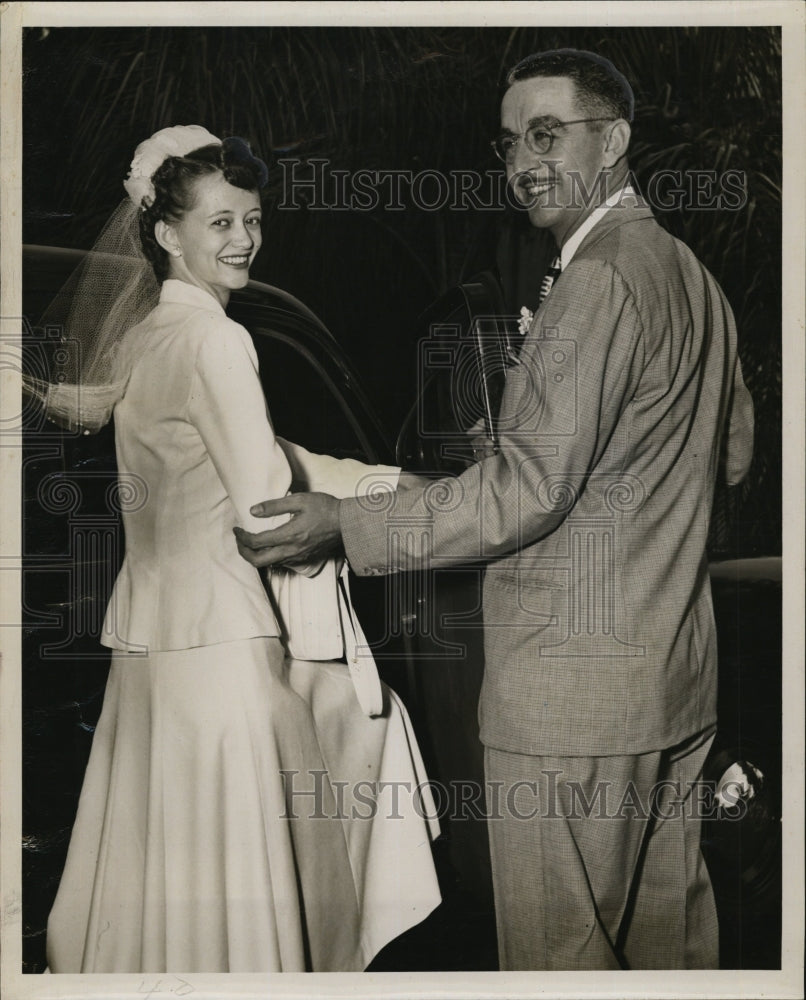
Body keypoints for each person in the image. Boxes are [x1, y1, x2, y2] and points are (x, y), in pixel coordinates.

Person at [235, 49, 755, 970]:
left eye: (547, 135)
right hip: (671, 685)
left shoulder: (594, 278)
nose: (522, 163)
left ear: (615, 140)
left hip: (568, 706)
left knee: (559, 964)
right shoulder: (690, 276)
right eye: (510, 143)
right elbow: (730, 454)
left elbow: (524, 492)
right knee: (668, 956)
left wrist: (346, 526)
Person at [31, 126, 441, 973]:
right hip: (226, 653)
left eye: (251, 219)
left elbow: (235, 456)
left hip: (150, 655)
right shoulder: (220, 339)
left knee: (166, 890)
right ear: (166, 233)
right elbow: (264, 512)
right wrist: (361, 514)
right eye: (219, 223)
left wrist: (384, 478)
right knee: (351, 749)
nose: (245, 239)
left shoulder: (148, 337)